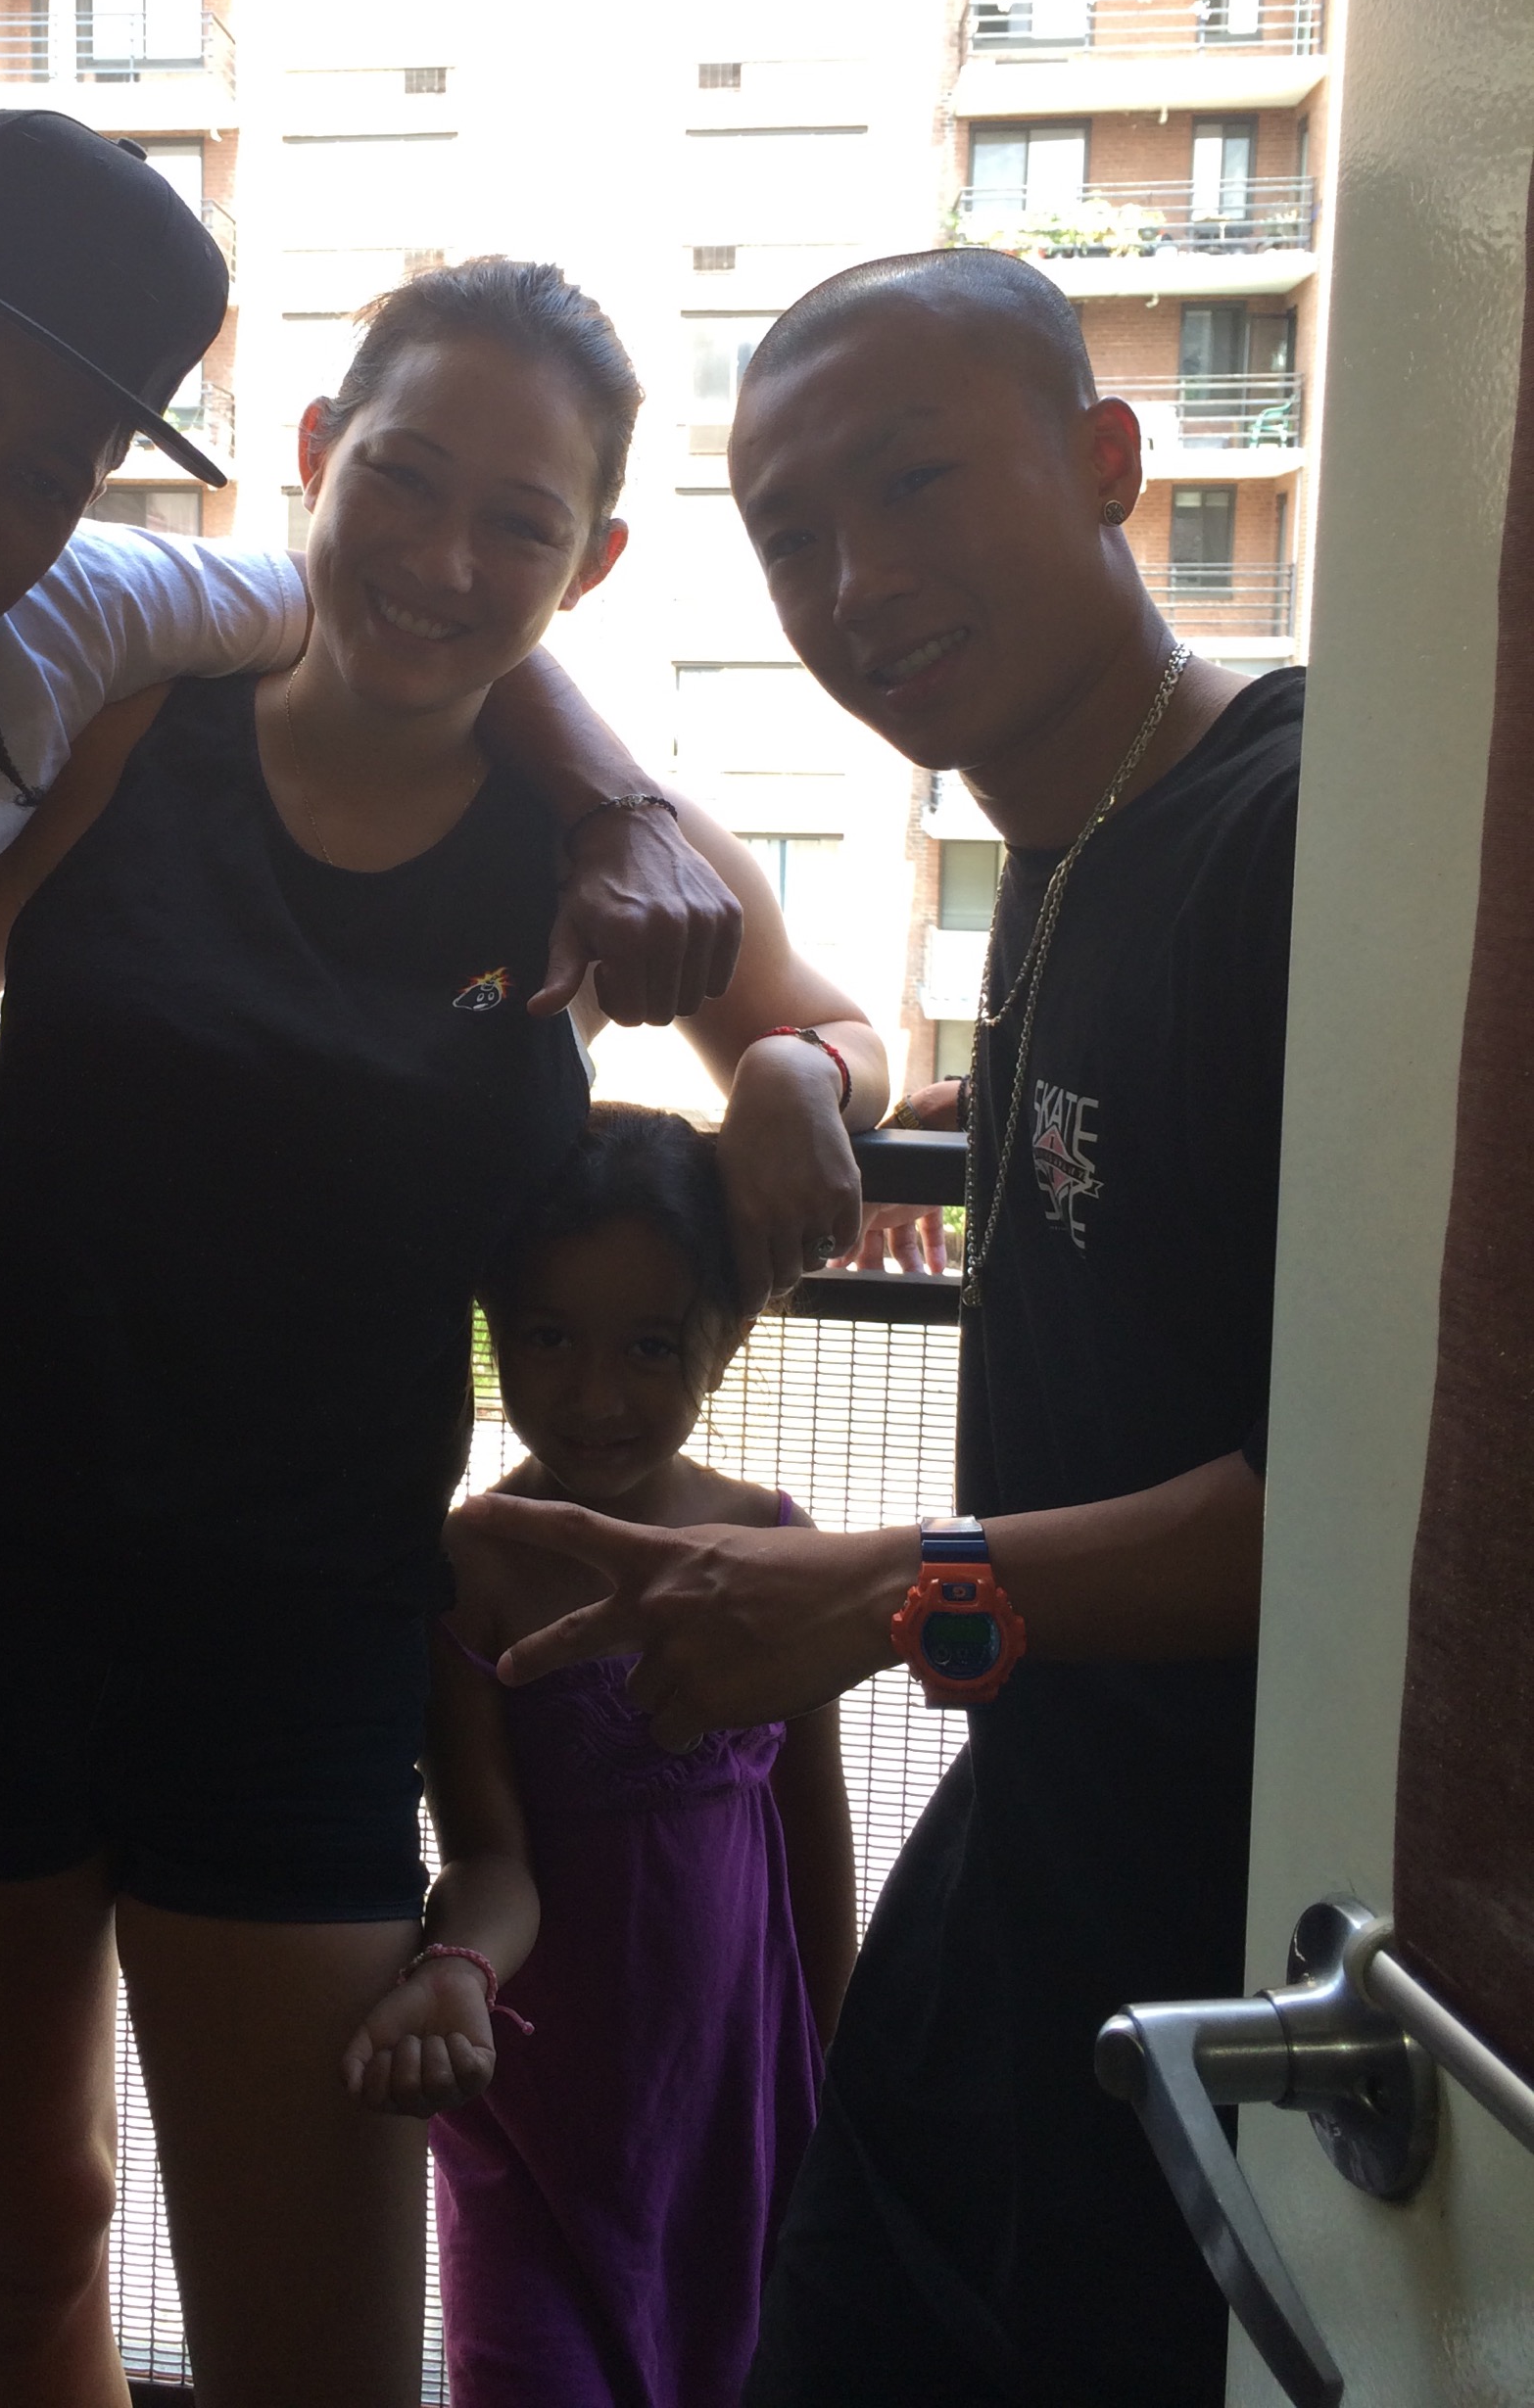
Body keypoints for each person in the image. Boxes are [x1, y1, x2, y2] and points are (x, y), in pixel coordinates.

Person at [0, 125, 748, 2408]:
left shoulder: (90, 641)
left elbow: (423, 629)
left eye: (46, 466)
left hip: (164, 1611)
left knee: (210, 2307)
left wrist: (679, 901)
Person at [464, 247, 1293, 2408]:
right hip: (1037, 1860)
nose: (856, 581)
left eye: (914, 482)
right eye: (792, 534)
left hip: (1241, 1937)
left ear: (1106, 460)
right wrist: (806, 1066)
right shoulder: (1069, 846)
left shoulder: (1286, 848)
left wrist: (878, 1592)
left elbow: (1362, 1510)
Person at [339, 1103, 854, 2408]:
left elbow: (816, 1859)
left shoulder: (774, 1551)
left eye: (648, 1345)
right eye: (549, 1337)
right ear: (494, 1327)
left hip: (737, 2113)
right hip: (540, 2133)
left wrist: (844, 2092)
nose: (595, 1396)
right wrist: (457, 1971)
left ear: (720, 1335)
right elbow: (491, 1857)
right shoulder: (473, 1565)